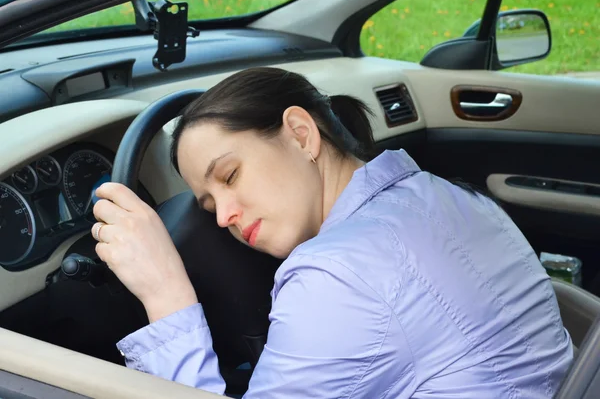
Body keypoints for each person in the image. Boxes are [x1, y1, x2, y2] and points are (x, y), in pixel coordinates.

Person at [91, 67, 574, 398]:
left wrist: (165, 291)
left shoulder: (338, 274)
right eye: (209, 204)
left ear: (301, 134)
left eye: (231, 176)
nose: (222, 218)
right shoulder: (449, 195)